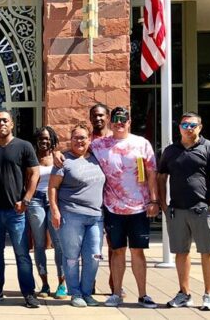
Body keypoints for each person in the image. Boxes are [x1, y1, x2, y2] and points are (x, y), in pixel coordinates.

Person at [91, 106, 159, 308]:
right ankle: (116, 293)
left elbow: (152, 174)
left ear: (129, 122)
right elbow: (78, 150)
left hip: (139, 207)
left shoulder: (141, 143)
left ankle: (143, 294)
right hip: (112, 208)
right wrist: (60, 155)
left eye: (124, 119)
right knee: (117, 250)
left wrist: (154, 201)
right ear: (111, 122)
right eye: (116, 119)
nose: (120, 123)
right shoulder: (99, 144)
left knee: (138, 251)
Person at [158, 112, 210, 311]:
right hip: (177, 210)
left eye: (193, 125)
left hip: (202, 210)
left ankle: (208, 295)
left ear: (200, 127)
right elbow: (161, 178)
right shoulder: (170, 151)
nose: (188, 128)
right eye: (185, 124)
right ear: (179, 127)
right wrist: (163, 204)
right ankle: (184, 293)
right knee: (181, 253)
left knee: (207, 251)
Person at [0, 111, 40, 309]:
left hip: (17, 211)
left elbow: (34, 173)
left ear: (11, 124)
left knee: (22, 254)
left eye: (5, 120)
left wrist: (26, 199)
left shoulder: (24, 146)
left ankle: (29, 293)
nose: (2, 123)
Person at [49, 123, 106, 308]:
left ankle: (87, 293)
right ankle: (75, 293)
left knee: (94, 256)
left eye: (83, 137)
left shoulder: (97, 157)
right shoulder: (63, 160)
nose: (79, 141)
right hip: (71, 215)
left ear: (89, 139)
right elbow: (53, 187)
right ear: (70, 140)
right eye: (76, 138)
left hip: (96, 216)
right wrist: (55, 211)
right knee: (72, 256)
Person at [27, 126, 67, 299]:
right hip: (35, 200)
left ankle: (62, 284)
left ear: (52, 139)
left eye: (47, 138)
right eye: (41, 138)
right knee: (39, 244)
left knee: (58, 243)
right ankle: (44, 284)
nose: (44, 141)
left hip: (53, 201)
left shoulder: (58, 157)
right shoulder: (31, 157)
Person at [88, 102, 117, 296]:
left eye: (101, 115)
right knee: (92, 246)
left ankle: (115, 284)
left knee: (115, 246)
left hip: (115, 200)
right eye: (94, 116)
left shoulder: (117, 141)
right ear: (90, 119)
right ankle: (89, 283)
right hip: (92, 201)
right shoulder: (86, 142)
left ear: (108, 117)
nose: (98, 119)